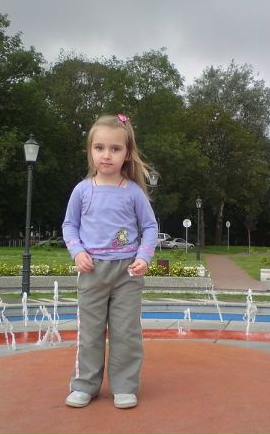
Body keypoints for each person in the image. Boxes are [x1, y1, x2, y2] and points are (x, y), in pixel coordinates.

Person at [62, 113, 158, 409]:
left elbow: (150, 227)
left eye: (115, 149)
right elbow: (69, 225)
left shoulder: (133, 192)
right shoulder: (82, 190)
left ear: (127, 153)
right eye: (99, 147)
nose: (106, 155)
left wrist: (144, 257)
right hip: (92, 271)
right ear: (90, 151)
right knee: (90, 333)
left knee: (126, 333)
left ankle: (125, 386)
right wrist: (77, 252)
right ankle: (85, 385)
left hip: (127, 273)